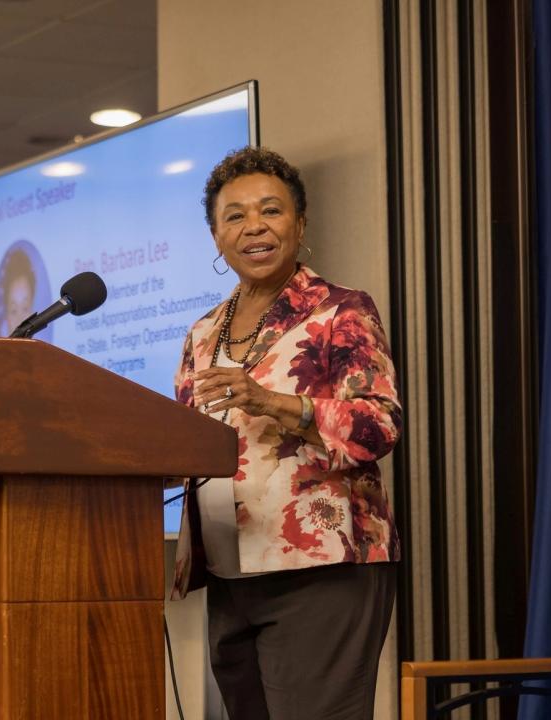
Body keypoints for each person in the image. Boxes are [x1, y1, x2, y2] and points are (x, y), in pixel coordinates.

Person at [171, 147, 403, 720]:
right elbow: (183, 440)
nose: (254, 226)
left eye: (271, 211)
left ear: (299, 224)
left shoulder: (340, 313)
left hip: (319, 570)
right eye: (234, 216)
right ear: (215, 236)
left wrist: (272, 401)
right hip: (230, 569)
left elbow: (380, 425)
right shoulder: (202, 333)